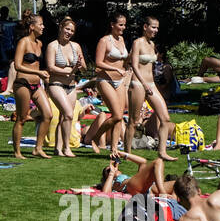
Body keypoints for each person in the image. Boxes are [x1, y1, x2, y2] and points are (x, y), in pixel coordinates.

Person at [127, 16, 175, 161]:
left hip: (151, 84)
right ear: (145, 27)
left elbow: (151, 67)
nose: (155, 30)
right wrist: (144, 83)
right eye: (153, 27)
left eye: (157, 28)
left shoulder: (152, 44)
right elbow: (134, 65)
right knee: (134, 121)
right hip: (138, 83)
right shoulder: (137, 43)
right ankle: (127, 152)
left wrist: (152, 83)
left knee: (165, 118)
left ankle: (162, 151)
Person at [83, 14, 131, 159]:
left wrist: (129, 65)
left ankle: (114, 149)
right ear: (112, 25)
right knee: (116, 115)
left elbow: (125, 60)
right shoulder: (104, 41)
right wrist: (114, 69)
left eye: (124, 25)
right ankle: (95, 137)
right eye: (120, 24)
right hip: (105, 80)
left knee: (119, 116)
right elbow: (98, 63)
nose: (123, 27)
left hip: (120, 81)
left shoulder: (122, 40)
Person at [11, 14, 52, 160]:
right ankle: (17, 152)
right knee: (21, 118)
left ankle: (38, 148)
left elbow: (37, 65)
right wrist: (38, 72)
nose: (43, 27)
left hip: (36, 84)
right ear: (32, 27)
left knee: (48, 115)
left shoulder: (40, 44)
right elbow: (17, 65)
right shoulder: (24, 42)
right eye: (40, 24)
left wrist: (43, 76)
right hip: (23, 83)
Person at [44, 17, 87, 158]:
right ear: (61, 28)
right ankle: (67, 147)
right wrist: (68, 70)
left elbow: (85, 68)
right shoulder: (53, 46)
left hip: (71, 85)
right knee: (69, 114)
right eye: (67, 29)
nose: (69, 32)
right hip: (56, 84)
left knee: (65, 116)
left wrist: (81, 66)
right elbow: (50, 67)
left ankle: (58, 148)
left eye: (72, 31)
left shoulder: (76, 46)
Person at [98, 153, 176, 197]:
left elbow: (142, 162)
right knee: (158, 161)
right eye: (107, 170)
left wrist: (122, 154)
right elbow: (105, 193)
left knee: (178, 184)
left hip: (150, 188)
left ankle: (173, 204)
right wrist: (111, 173)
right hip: (131, 187)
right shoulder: (113, 183)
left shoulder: (136, 178)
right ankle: (162, 193)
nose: (112, 169)